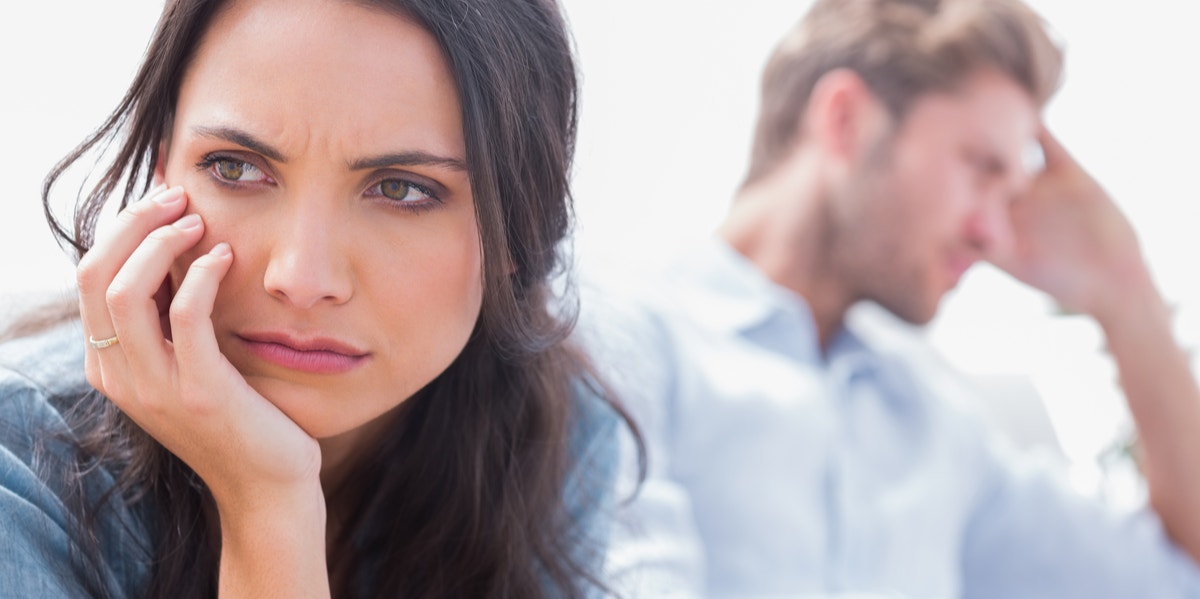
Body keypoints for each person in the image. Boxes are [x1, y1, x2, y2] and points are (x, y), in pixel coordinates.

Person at [0, 0, 634, 596]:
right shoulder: (19, 473)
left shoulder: (550, 435)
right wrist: (268, 507)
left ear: (519, 224)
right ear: (163, 172)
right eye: (236, 167)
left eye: (401, 189)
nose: (301, 278)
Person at [585, 0, 1200, 596]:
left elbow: (1176, 577)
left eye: (1011, 198)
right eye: (981, 167)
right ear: (846, 119)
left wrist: (1126, 291)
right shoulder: (622, 340)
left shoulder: (941, 429)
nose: (994, 234)